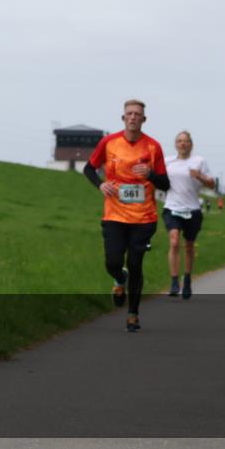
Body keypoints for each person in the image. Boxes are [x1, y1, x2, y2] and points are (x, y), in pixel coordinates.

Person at [83, 99, 170, 332]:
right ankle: (119, 279)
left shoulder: (153, 147)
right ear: (123, 118)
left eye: (137, 114)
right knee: (113, 262)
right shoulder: (109, 142)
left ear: (144, 119)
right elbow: (88, 169)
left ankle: (133, 314)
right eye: (129, 113)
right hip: (114, 215)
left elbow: (165, 183)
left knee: (135, 263)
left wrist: (151, 174)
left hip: (143, 218)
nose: (133, 117)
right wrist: (100, 185)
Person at [162, 131, 216, 300]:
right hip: (172, 207)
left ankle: (187, 280)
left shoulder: (199, 161)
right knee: (174, 240)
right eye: (179, 141)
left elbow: (212, 184)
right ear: (176, 144)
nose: (182, 144)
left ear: (191, 144)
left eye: (186, 141)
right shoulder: (167, 161)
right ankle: (174, 281)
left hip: (192, 209)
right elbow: (159, 180)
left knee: (189, 246)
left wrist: (199, 176)